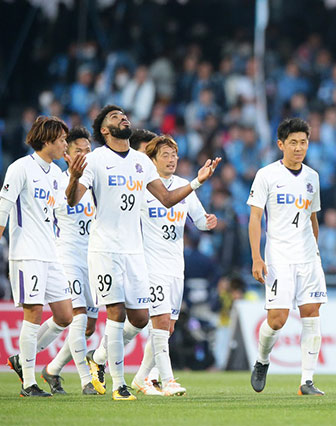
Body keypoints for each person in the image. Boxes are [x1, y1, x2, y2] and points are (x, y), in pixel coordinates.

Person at [65, 104, 220, 401]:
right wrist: (73, 177)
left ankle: (98, 358)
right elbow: (73, 200)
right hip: (106, 249)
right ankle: (119, 385)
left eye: (123, 114)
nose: (123, 117)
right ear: (105, 130)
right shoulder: (95, 160)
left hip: (134, 252)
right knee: (116, 312)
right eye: (114, 116)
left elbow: (166, 199)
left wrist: (198, 181)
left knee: (138, 319)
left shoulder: (140, 161)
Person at [131, 135, 217, 396]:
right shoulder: (143, 188)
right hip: (151, 264)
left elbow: (199, 221)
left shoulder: (182, 186)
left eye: (174, 155)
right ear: (152, 160)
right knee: (160, 321)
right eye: (165, 155)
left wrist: (208, 222)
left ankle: (141, 378)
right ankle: (167, 381)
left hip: (175, 267)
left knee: (168, 327)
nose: (171, 160)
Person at [248, 117, 326, 396]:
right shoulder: (266, 175)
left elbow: (313, 218)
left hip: (308, 256)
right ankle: (262, 360)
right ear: (281, 145)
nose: (299, 148)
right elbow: (255, 218)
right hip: (278, 256)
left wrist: (314, 250)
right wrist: (256, 257)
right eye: (293, 142)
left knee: (311, 314)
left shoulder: (312, 177)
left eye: (303, 142)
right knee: (277, 319)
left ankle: (307, 381)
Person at [1, 116, 73, 397]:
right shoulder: (20, 168)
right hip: (27, 253)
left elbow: (63, 210)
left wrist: (75, 176)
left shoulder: (56, 173)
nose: (65, 144)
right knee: (33, 313)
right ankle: (29, 383)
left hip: (50, 253)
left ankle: (22, 359)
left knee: (65, 315)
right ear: (47, 140)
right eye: (62, 140)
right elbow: (3, 208)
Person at [42, 126, 102, 395]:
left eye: (88, 150)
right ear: (67, 153)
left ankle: (51, 369)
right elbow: (63, 205)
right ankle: (86, 381)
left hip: (94, 257)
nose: (85, 155)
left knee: (88, 326)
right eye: (79, 150)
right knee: (78, 317)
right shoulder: (58, 181)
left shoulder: (96, 183)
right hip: (67, 255)